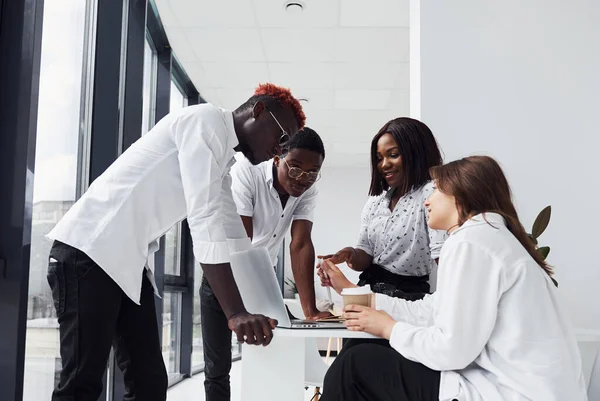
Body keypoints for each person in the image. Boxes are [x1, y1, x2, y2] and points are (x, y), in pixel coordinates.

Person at [45, 83, 306, 401]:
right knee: (81, 384)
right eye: (282, 138)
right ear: (259, 111)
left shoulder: (222, 161)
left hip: (126, 265)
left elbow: (235, 240)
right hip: (88, 251)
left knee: (149, 383)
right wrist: (235, 312)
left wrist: (261, 303)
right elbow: (204, 220)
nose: (280, 150)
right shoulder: (205, 121)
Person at [319, 155, 586, 401]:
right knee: (360, 356)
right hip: (531, 389)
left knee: (353, 366)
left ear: (460, 195)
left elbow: (452, 350)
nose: (427, 200)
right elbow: (434, 310)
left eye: (435, 190)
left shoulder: (472, 242)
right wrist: (369, 303)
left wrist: (389, 328)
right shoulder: (489, 237)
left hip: (512, 392)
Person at [200, 127, 329, 401]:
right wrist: (238, 309)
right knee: (218, 366)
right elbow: (240, 242)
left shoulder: (308, 189)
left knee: (274, 354)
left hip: (262, 276)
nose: (302, 179)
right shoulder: (248, 171)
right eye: (294, 168)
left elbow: (301, 243)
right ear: (277, 158)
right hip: (224, 275)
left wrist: (311, 311)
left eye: (312, 172)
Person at [318, 117, 447, 302]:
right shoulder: (376, 200)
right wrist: (349, 254)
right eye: (379, 158)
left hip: (407, 295)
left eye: (393, 154)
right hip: (370, 287)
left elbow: (442, 257)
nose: (384, 164)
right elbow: (365, 255)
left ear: (416, 153)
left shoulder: (431, 193)